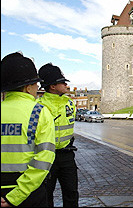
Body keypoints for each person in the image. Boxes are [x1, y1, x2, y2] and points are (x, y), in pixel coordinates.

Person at [1, 52, 55, 207]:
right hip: (29, 193)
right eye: (36, 84)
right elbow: (44, 160)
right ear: (27, 87)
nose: (37, 87)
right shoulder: (39, 112)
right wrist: (16, 196)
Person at [37, 63, 78, 207]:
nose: (66, 85)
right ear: (52, 86)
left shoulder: (69, 103)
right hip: (47, 156)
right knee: (46, 195)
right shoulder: (39, 106)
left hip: (67, 155)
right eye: (62, 82)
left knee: (72, 193)